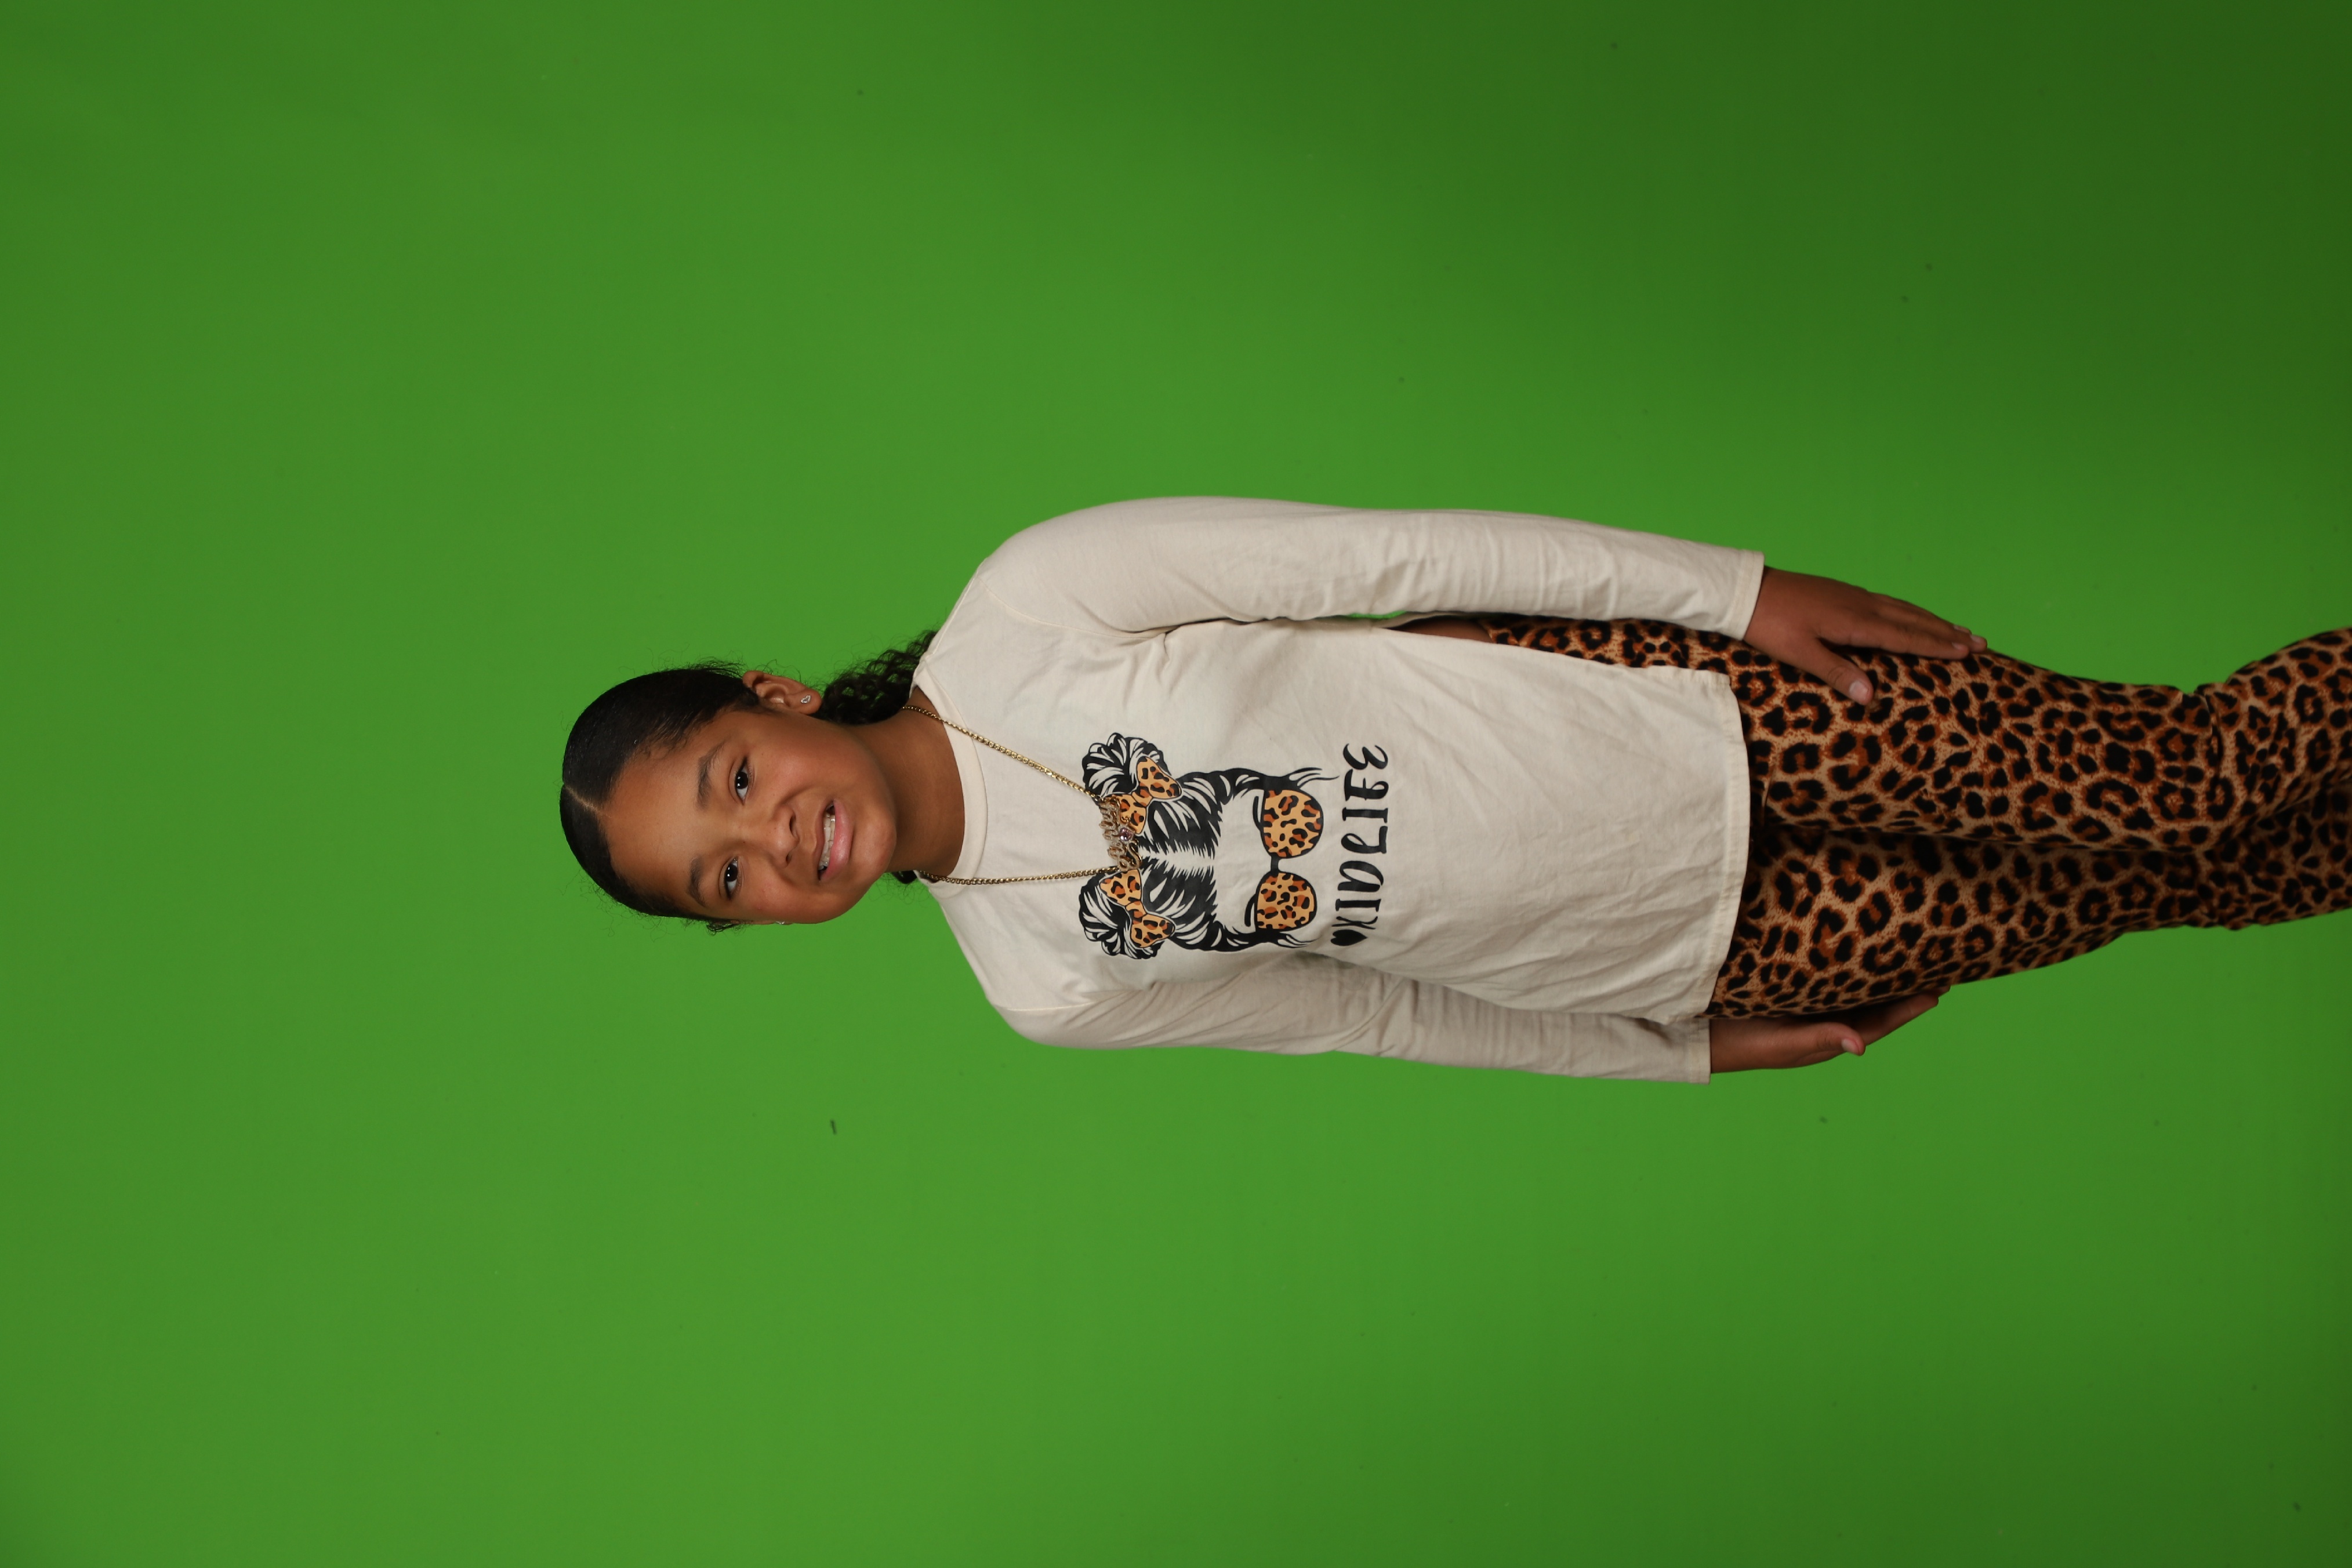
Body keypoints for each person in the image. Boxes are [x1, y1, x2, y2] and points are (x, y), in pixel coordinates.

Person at [558, 498, 2350, 1081]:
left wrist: (1736, 594)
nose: (769, 840)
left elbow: (1395, 550)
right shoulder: (1043, 984)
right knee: (2168, 886)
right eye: (724, 878)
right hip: (1704, 948)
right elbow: (1379, 1014)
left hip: (1688, 713)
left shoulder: (1034, 602)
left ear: (773, 697)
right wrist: (1677, 1052)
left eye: (734, 777)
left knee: (2183, 785)